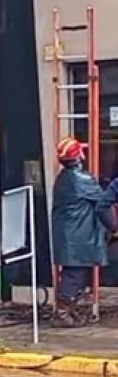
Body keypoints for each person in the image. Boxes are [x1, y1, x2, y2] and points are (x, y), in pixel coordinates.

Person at [51, 138, 114, 327]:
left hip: (70, 234)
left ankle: (68, 311)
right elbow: (103, 203)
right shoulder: (82, 179)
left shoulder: (63, 178)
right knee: (75, 275)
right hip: (77, 236)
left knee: (76, 273)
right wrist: (113, 227)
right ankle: (62, 314)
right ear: (79, 155)